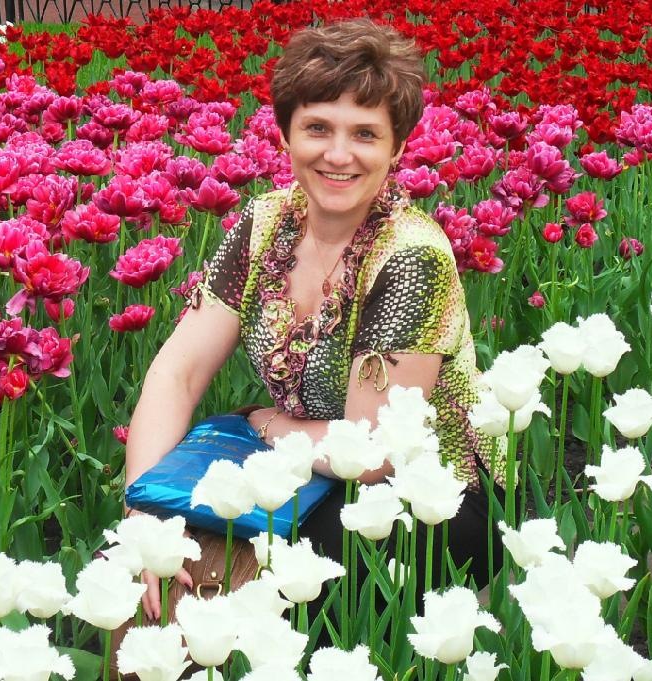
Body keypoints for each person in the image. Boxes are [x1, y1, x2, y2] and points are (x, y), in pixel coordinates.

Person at [125, 17, 507, 621]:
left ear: (397, 147)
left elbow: (372, 452)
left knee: (273, 578)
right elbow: (177, 373)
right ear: (285, 135)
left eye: (365, 134)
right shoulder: (263, 224)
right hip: (303, 464)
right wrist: (146, 512)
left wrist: (263, 423)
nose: (338, 154)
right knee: (140, 557)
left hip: (427, 494)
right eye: (318, 127)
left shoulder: (410, 258)